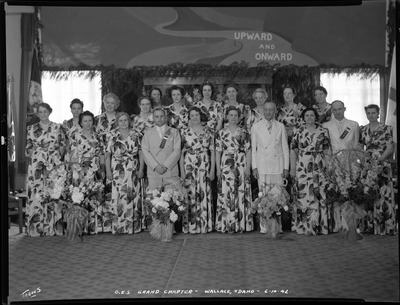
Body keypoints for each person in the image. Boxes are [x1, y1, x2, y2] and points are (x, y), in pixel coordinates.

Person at [25, 103, 65, 237]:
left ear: (50, 112)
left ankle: (54, 227)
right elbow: (28, 150)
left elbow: (62, 147)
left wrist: (56, 159)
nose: (43, 114)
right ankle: (37, 228)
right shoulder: (31, 128)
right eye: (40, 112)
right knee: (37, 192)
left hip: (54, 164)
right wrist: (39, 154)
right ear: (37, 114)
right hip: (37, 164)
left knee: (53, 192)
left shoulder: (58, 127)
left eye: (45, 111)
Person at [290, 108, 331, 235]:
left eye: (311, 115)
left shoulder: (323, 131)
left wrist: (329, 168)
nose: (309, 117)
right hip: (302, 166)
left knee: (319, 194)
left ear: (315, 117)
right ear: (303, 117)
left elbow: (327, 151)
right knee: (303, 194)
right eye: (307, 115)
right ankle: (303, 226)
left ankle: (319, 225)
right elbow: (293, 151)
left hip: (319, 164)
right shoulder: (298, 131)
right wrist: (292, 169)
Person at [251, 101, 289, 233]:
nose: (268, 112)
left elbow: (285, 148)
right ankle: (264, 226)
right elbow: (254, 149)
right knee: (263, 195)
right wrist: (254, 167)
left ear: (275, 111)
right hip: (262, 165)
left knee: (277, 195)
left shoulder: (280, 126)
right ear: (263, 111)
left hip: (277, 165)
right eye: (266, 110)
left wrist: (286, 167)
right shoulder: (256, 127)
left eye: (271, 110)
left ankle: (277, 225)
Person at [359, 104, 396, 235]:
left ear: (378, 114)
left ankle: (384, 226)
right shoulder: (362, 129)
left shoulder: (386, 128)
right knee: (369, 193)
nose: (371, 115)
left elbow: (390, 147)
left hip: (382, 164)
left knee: (383, 194)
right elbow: (360, 147)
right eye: (368, 113)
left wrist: (379, 161)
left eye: (373, 113)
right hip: (368, 165)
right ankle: (369, 226)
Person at [215, 106, 253, 233]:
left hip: (241, 163)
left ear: (239, 117)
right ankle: (226, 224)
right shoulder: (221, 133)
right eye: (231, 115)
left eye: (235, 115)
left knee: (241, 192)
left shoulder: (244, 132)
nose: (233, 117)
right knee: (226, 192)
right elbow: (217, 152)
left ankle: (242, 224)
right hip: (226, 164)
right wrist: (218, 170)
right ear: (226, 117)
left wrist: (248, 167)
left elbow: (248, 150)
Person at [180, 107, 215, 234]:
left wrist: (212, 170)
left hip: (204, 165)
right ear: (189, 117)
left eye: (197, 115)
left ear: (201, 116)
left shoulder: (209, 131)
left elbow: (213, 152)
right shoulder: (184, 132)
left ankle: (205, 225)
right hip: (189, 165)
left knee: (204, 193)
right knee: (190, 194)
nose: (194, 117)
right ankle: (191, 225)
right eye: (192, 115)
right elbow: (181, 154)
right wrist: (182, 172)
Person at [105, 112, 142, 234]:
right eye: (121, 120)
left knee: (132, 194)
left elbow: (141, 153)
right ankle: (119, 226)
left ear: (129, 121)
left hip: (133, 168)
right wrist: (108, 171)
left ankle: (132, 226)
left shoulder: (136, 134)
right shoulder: (111, 135)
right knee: (119, 196)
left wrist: (141, 168)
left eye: (125, 120)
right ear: (117, 122)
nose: (123, 122)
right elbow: (107, 154)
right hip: (117, 169)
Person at [69, 111, 105, 234]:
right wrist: (75, 173)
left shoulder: (98, 136)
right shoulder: (75, 136)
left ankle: (95, 226)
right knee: (82, 197)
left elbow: (101, 155)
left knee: (95, 197)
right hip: (81, 171)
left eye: (90, 120)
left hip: (96, 171)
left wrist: (103, 170)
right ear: (80, 122)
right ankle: (81, 226)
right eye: (85, 121)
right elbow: (73, 156)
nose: (88, 123)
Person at [94, 93, 120, 232]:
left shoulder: (121, 118)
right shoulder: (96, 119)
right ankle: (102, 222)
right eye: (107, 102)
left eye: (112, 103)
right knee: (101, 187)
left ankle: (115, 221)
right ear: (103, 103)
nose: (109, 105)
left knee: (114, 188)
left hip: (117, 157)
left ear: (117, 104)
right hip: (100, 157)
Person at [141, 107, 182, 191]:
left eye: (161, 116)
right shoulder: (148, 133)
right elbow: (145, 152)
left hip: (170, 170)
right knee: (154, 200)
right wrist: (156, 166)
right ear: (153, 118)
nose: (159, 119)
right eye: (156, 116)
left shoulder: (174, 132)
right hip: (154, 171)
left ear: (166, 117)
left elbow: (177, 150)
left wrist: (165, 165)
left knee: (173, 200)